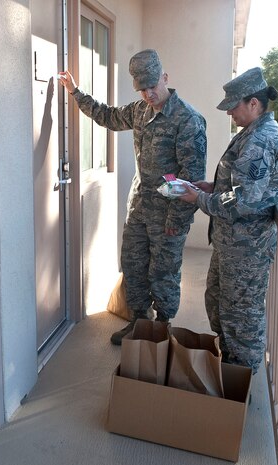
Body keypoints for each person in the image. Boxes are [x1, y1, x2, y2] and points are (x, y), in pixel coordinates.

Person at [58, 49, 207, 345]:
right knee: (134, 266)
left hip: (168, 215)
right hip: (139, 209)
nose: (149, 94)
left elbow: (192, 181)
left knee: (163, 274)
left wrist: (176, 222)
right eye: (142, 89)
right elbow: (108, 116)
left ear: (165, 78)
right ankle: (139, 322)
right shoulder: (139, 111)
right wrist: (75, 92)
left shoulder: (188, 120)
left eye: (153, 86)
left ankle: (161, 329)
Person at [178, 67, 278, 373]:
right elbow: (245, 188)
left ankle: (242, 383)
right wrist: (212, 187)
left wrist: (198, 198)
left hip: (245, 248)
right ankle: (229, 367)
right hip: (233, 244)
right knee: (219, 305)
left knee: (242, 318)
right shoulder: (254, 133)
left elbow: (242, 202)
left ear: (253, 103)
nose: (230, 114)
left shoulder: (259, 140)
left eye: (233, 107)